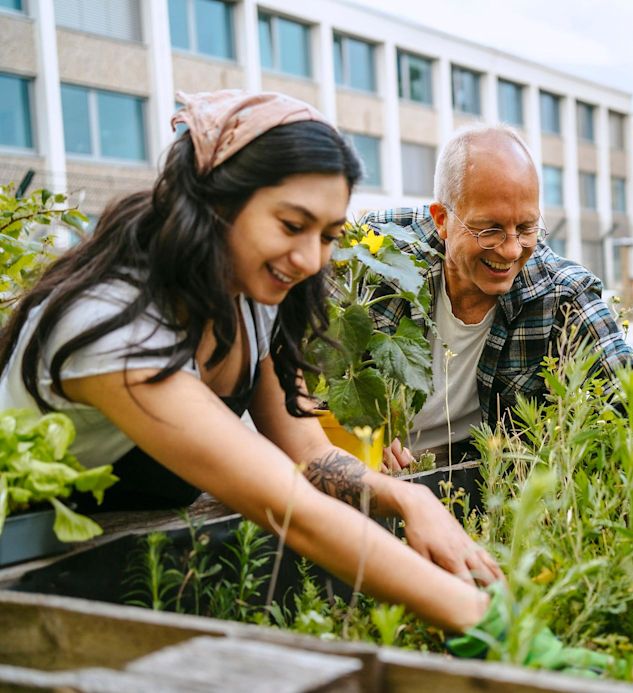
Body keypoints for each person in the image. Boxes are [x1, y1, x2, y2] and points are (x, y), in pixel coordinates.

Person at [0, 90, 501, 633]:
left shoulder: (249, 302)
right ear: (217, 202)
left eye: (328, 236)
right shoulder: (115, 329)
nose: (311, 260)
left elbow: (309, 455)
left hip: (105, 571)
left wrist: (407, 499)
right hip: (23, 574)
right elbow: (291, 510)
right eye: (291, 225)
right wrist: (487, 622)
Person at [360, 125, 633, 472]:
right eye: (489, 230)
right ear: (442, 220)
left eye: (525, 228)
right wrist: (363, 441)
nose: (510, 250)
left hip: (474, 485)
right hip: (361, 474)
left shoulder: (559, 294)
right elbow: (307, 374)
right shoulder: (376, 252)